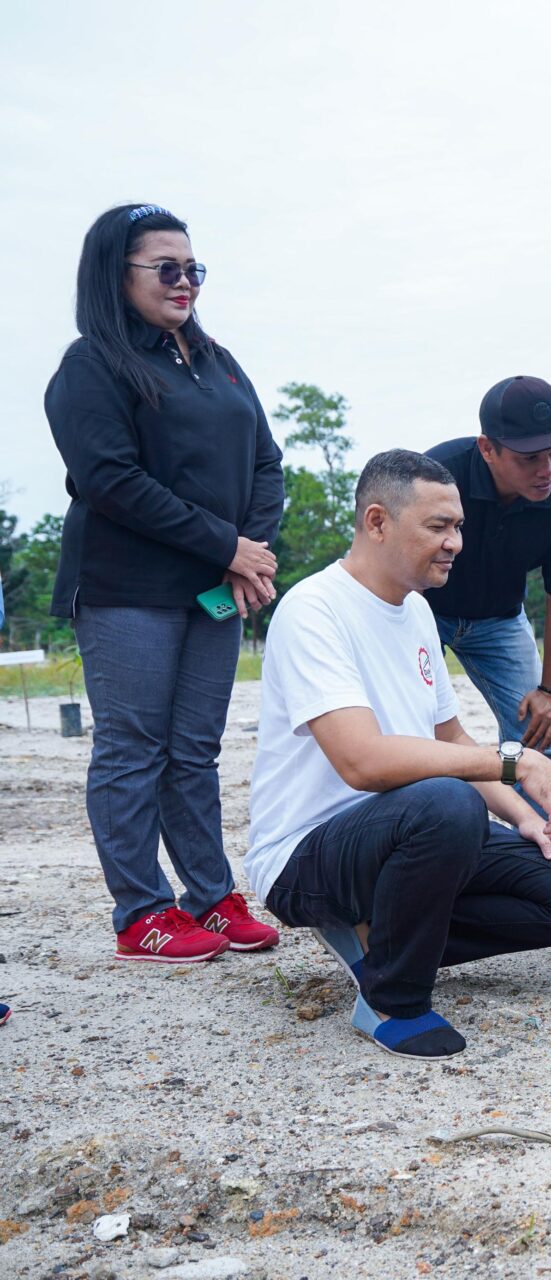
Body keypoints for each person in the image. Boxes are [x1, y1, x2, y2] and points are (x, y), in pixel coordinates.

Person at [246, 450, 551, 1060]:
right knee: (447, 804)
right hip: (308, 851)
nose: (456, 544)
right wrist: (518, 761)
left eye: (459, 526)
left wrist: (527, 819)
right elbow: (361, 763)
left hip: (409, 833)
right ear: (377, 522)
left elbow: (451, 740)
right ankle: (392, 996)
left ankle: (384, 934)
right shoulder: (314, 610)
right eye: (438, 527)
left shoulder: (416, 609)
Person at [45, 203, 285, 963]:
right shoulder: (91, 366)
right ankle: (141, 913)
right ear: (116, 276)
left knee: (194, 749)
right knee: (133, 748)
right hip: (127, 590)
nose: (185, 283)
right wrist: (227, 546)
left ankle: (210, 899)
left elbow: (266, 462)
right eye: (166, 268)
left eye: (194, 269)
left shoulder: (217, 359)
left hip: (212, 591)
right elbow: (110, 479)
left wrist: (252, 549)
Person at [425, 376, 551, 767]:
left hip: (500, 619)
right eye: (529, 458)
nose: (547, 470)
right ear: (488, 448)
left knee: (537, 736)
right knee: (409, 719)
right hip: (423, 610)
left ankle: (549, 825)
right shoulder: (435, 476)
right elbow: (396, 567)